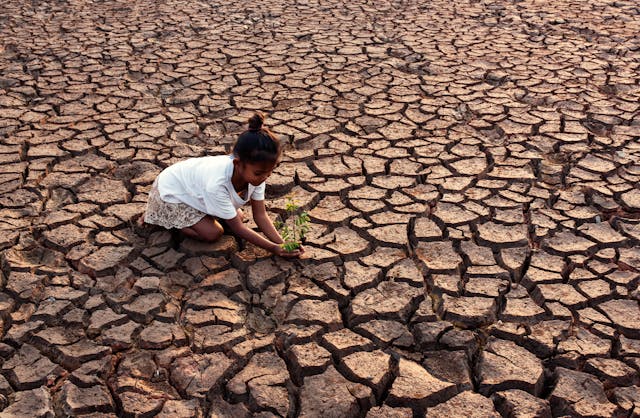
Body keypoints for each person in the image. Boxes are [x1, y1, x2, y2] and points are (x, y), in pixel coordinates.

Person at [142, 112, 302, 258]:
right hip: (171, 191)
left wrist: (283, 243)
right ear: (238, 164)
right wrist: (273, 248)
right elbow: (239, 229)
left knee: (238, 216)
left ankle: (199, 216)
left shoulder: (257, 174)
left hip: (194, 189)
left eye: (269, 173)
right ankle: (168, 221)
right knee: (213, 233)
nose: (264, 178)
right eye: (260, 173)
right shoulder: (217, 183)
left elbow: (260, 215)